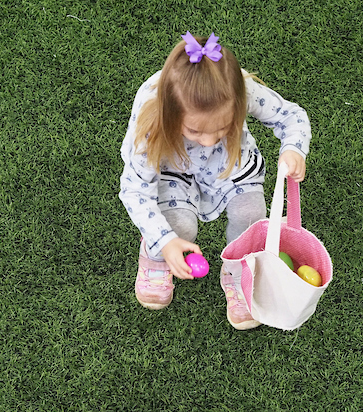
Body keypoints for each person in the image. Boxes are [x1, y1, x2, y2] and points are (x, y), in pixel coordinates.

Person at [119, 32, 311, 329]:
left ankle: (238, 271)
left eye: (222, 126)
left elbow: (290, 116)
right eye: (195, 131)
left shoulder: (241, 90)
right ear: (171, 115)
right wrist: (166, 242)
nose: (208, 141)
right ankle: (155, 257)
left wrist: (293, 148)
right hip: (173, 168)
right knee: (179, 226)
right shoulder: (152, 123)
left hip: (230, 162)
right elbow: (134, 191)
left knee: (249, 214)